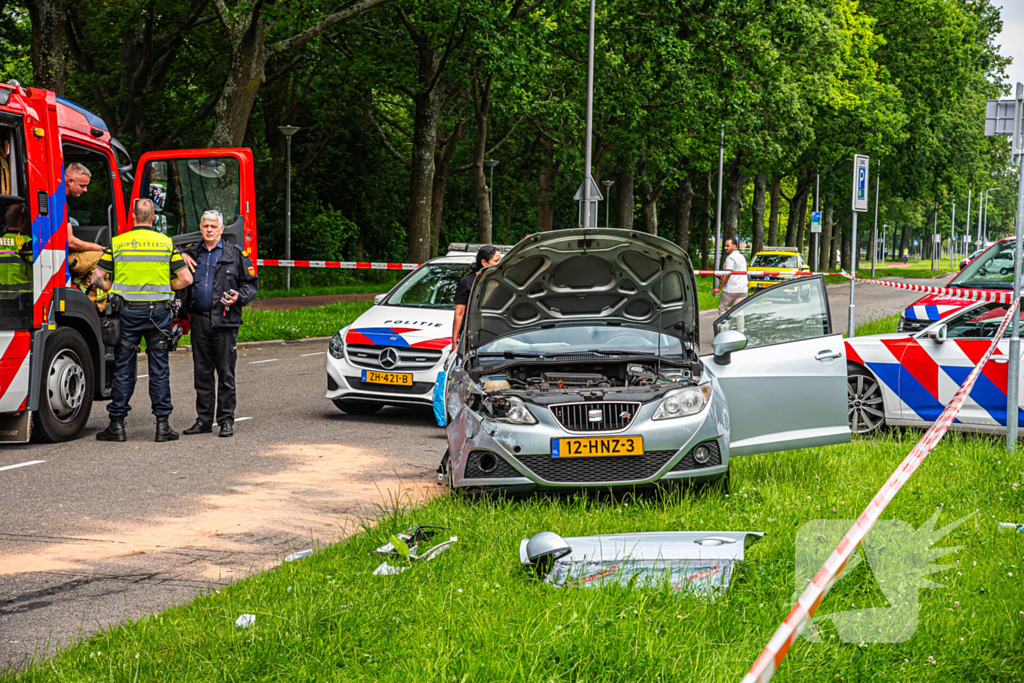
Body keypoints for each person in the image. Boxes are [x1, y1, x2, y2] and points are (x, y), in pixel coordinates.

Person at [92, 199, 193, 442]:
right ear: (154, 219)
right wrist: (164, 287)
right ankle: (162, 426)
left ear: (133, 218)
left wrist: (112, 286)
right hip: (158, 315)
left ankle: (117, 425)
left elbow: (96, 277)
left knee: (123, 368)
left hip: (127, 313)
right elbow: (187, 279)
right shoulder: (166, 244)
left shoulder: (118, 244)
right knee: (159, 368)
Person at [179, 210, 259, 438]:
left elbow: (251, 284)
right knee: (202, 374)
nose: (209, 230)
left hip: (225, 321)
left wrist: (238, 297)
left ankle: (225, 420)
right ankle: (203, 420)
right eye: (205, 226)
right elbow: (168, 258)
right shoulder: (192, 252)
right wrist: (179, 256)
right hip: (199, 320)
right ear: (201, 228)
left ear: (222, 229)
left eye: (214, 226)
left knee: (225, 373)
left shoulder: (235, 254)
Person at [451, 245, 502, 350]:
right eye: (496, 261)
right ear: (484, 263)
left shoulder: (502, 281)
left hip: (496, 336)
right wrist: (455, 342)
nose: (500, 264)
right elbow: (459, 313)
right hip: (472, 336)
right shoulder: (466, 282)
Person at [0, 203, 32, 301]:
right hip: (23, 300)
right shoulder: (27, 243)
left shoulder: (1, 241)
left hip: (2, 300)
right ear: (21, 220)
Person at [712, 236, 747, 315]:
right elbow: (735, 273)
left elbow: (727, 274)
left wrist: (719, 288)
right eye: (725, 246)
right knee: (739, 312)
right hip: (742, 289)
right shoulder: (742, 257)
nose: (725, 248)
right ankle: (740, 328)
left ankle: (725, 327)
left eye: (727, 246)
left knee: (722, 309)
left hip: (731, 290)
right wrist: (722, 276)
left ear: (734, 246)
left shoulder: (730, 258)